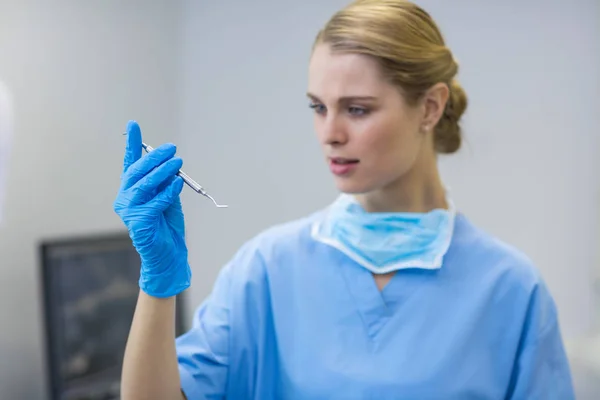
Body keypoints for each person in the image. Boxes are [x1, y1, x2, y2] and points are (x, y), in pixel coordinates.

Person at [113, 0, 575, 399]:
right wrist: (159, 287)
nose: (329, 134)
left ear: (430, 108)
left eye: (357, 109)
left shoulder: (510, 291)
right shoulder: (266, 271)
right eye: (318, 107)